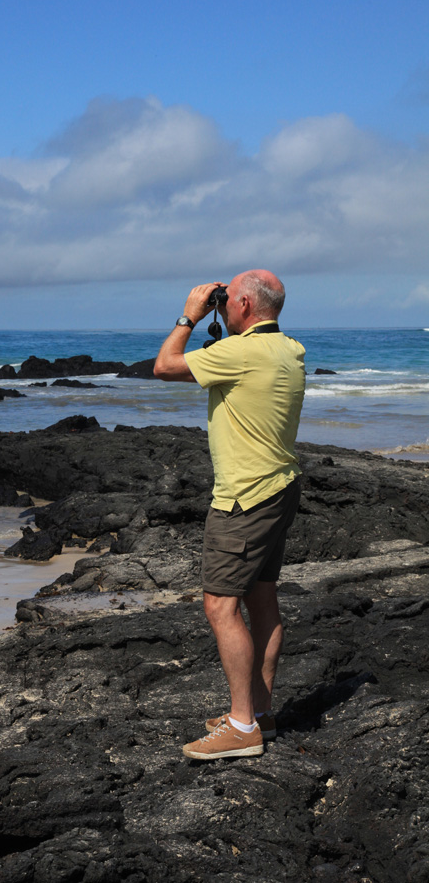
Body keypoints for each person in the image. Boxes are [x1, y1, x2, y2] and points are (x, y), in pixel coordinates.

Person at [153, 270, 305, 760]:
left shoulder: (238, 354)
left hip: (244, 499)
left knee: (220, 607)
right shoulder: (289, 350)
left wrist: (190, 316)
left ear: (241, 302)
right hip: (280, 488)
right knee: (262, 601)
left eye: (226, 299)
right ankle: (259, 713)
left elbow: (165, 366)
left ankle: (241, 727)